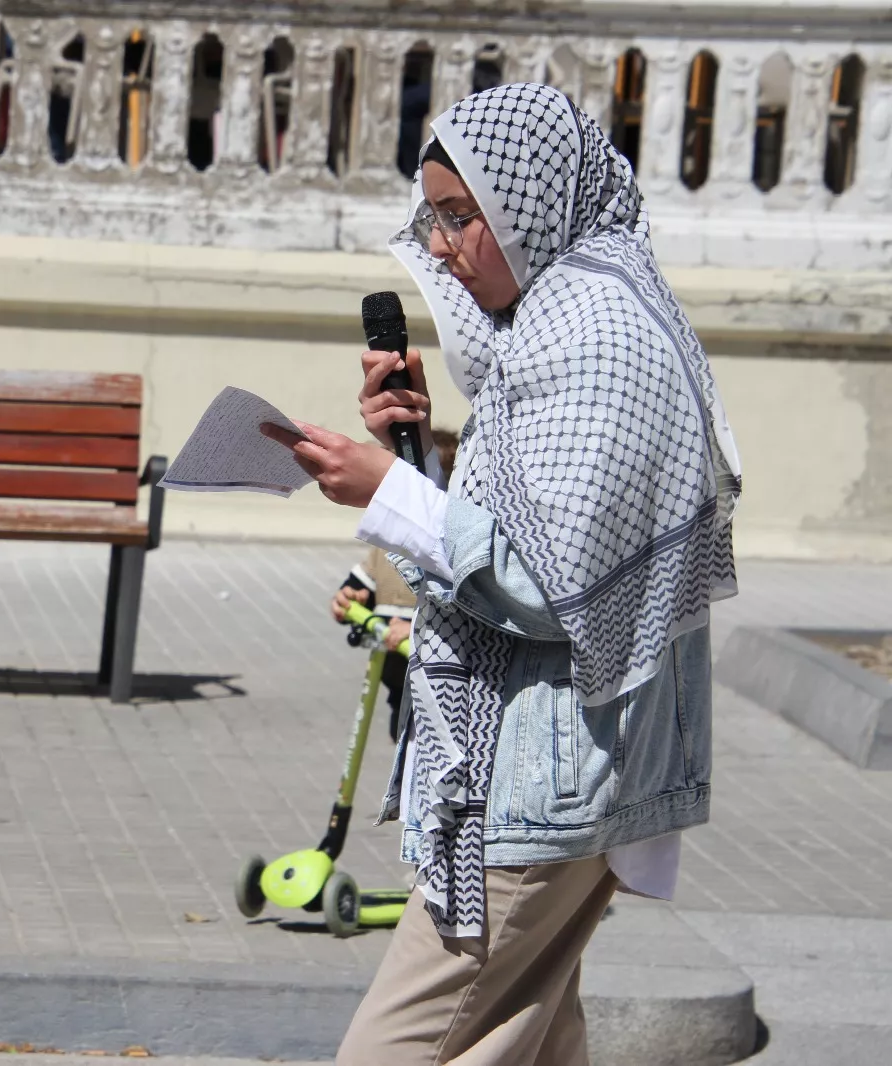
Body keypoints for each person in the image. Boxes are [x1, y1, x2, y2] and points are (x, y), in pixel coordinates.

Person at [263, 83, 740, 1063]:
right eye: (432, 215)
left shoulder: (596, 343)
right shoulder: (554, 327)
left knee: (394, 1046)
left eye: (458, 214)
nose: (438, 245)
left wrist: (387, 493)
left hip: (545, 782)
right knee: (530, 1038)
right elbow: (521, 524)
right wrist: (410, 456)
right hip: (552, 771)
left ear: (530, 200)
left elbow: (548, 582)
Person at [329, 430, 459, 743]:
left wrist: (415, 629)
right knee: (399, 739)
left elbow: (458, 608)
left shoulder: (449, 554)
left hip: (437, 686)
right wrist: (351, 597)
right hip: (395, 679)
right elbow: (366, 578)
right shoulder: (387, 545)